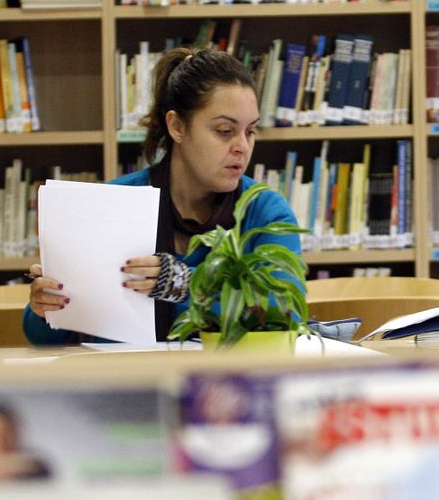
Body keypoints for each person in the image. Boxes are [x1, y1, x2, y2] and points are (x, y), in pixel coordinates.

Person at [23, 46, 304, 344]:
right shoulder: (113, 204)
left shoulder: (265, 211)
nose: (242, 147)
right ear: (177, 126)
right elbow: (44, 339)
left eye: (250, 132)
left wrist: (183, 283)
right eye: (225, 131)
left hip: (226, 385)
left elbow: (285, 313)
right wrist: (44, 307)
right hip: (128, 384)